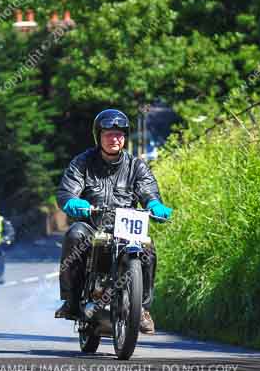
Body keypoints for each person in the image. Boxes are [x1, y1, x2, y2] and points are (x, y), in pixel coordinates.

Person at [54, 108, 173, 334]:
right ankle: (71, 300)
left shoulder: (136, 166)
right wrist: (72, 202)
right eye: (108, 134)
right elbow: (67, 193)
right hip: (92, 226)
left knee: (147, 248)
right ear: (98, 136)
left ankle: (143, 309)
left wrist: (155, 205)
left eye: (119, 134)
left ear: (125, 137)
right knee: (74, 235)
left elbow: (149, 192)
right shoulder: (83, 163)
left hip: (126, 228)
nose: (114, 139)